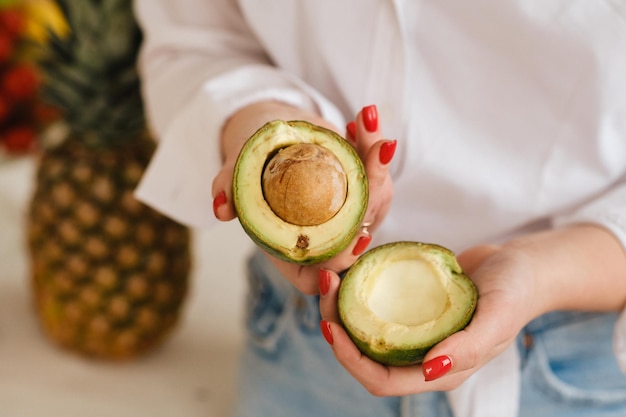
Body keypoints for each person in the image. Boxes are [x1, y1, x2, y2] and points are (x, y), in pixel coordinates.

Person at [132, 1, 626, 416]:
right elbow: (193, 41)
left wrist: (542, 273)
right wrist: (259, 116)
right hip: (303, 345)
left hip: (577, 362)